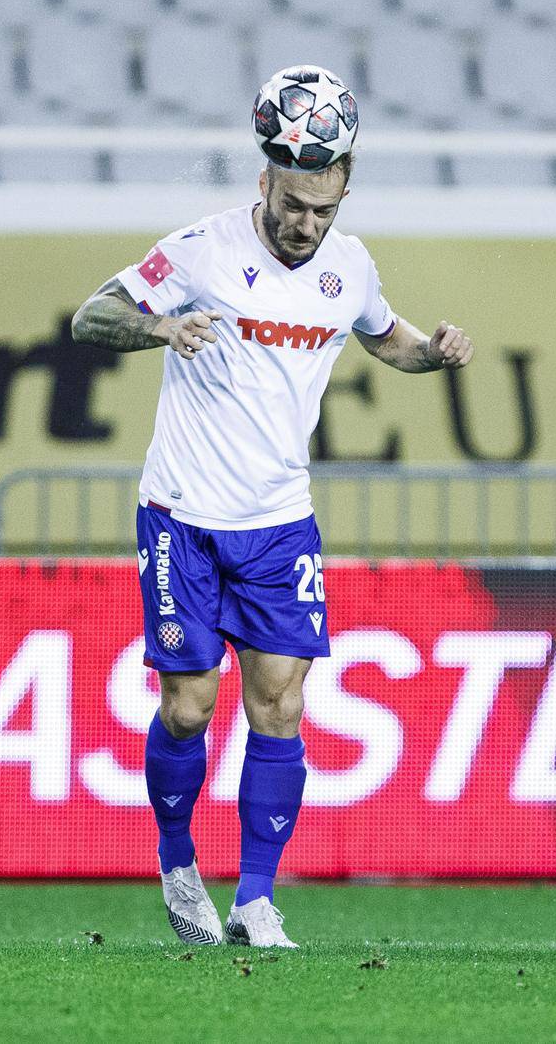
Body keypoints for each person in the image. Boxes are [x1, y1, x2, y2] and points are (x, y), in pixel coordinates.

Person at [72, 84, 473, 947]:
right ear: (266, 181)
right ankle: (180, 867)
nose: (303, 223)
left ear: (344, 189)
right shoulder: (198, 250)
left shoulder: (349, 266)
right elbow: (91, 314)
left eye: (320, 209)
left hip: (280, 520)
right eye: (292, 204)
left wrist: (432, 356)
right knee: (187, 709)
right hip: (182, 514)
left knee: (283, 704)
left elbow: (383, 335)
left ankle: (255, 898)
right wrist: (161, 331)